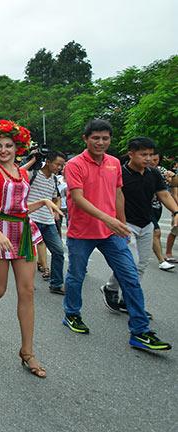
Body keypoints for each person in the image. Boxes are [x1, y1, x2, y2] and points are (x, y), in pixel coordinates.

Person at [62, 120, 171, 351]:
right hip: (82, 232)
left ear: (110, 140)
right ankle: (72, 314)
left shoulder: (114, 163)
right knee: (76, 275)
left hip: (111, 232)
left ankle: (140, 331)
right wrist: (109, 219)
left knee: (130, 276)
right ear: (86, 139)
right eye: (96, 138)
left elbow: (118, 194)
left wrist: (120, 223)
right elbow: (78, 199)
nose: (101, 142)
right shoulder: (74, 164)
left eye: (105, 138)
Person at [0, 120, 58, 379]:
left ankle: (27, 352)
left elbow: (20, 208)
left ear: (17, 147)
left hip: (22, 234)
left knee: (27, 291)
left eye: (9, 145)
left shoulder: (21, 172)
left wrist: (43, 201)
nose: (4, 150)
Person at [100, 137, 178, 315]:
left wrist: (176, 212)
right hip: (125, 224)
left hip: (147, 224)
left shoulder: (153, 173)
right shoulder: (120, 173)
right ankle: (122, 295)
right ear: (131, 154)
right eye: (144, 155)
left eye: (151, 155)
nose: (149, 159)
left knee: (141, 265)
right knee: (130, 264)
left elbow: (164, 195)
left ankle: (120, 295)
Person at [21, 150, 67, 294]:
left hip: (48, 221)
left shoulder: (54, 180)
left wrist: (55, 211)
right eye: (57, 164)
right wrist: (32, 160)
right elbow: (16, 174)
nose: (59, 168)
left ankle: (56, 284)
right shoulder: (32, 175)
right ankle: (27, 283)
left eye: (61, 165)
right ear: (47, 162)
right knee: (29, 255)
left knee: (59, 251)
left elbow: (55, 198)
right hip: (31, 219)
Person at [149, 151, 176, 270]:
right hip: (143, 208)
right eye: (151, 160)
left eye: (156, 160)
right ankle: (162, 260)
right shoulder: (137, 171)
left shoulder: (160, 171)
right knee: (156, 232)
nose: (153, 162)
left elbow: (170, 189)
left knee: (151, 232)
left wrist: (173, 176)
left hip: (157, 207)